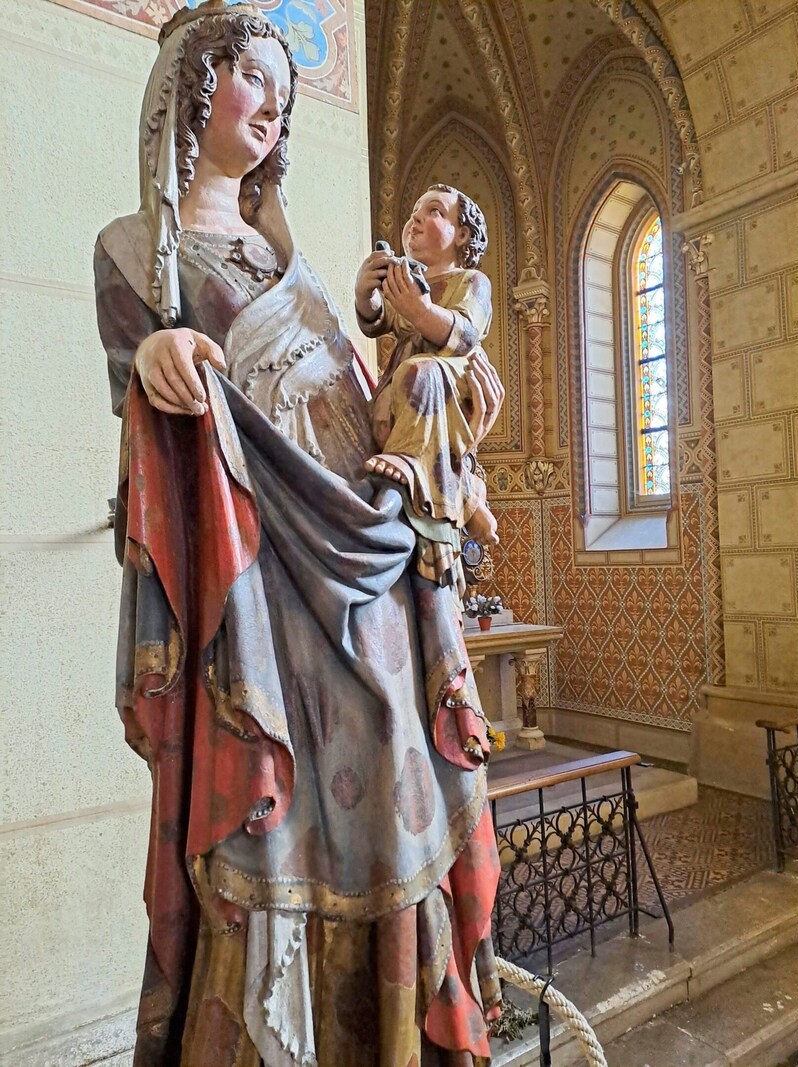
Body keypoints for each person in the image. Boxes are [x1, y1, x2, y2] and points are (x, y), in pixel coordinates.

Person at [93, 3, 506, 1065]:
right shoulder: (136, 246)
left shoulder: (298, 261)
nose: (273, 103)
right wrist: (152, 361)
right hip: (263, 578)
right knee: (276, 810)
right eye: (249, 76)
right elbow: (142, 407)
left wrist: (414, 447)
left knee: (395, 783)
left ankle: (386, 1037)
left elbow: (366, 394)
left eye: (285, 85)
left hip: (361, 554)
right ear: (192, 90)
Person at [355, 186, 498, 595]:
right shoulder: (408, 278)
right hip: (404, 398)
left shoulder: (471, 280)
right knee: (389, 390)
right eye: (413, 212)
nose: (414, 220)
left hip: (446, 385)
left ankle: (416, 465)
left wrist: (420, 310)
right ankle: (467, 496)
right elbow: (376, 322)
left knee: (421, 372)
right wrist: (366, 293)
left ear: (462, 235)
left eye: (433, 211)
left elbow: (465, 336)